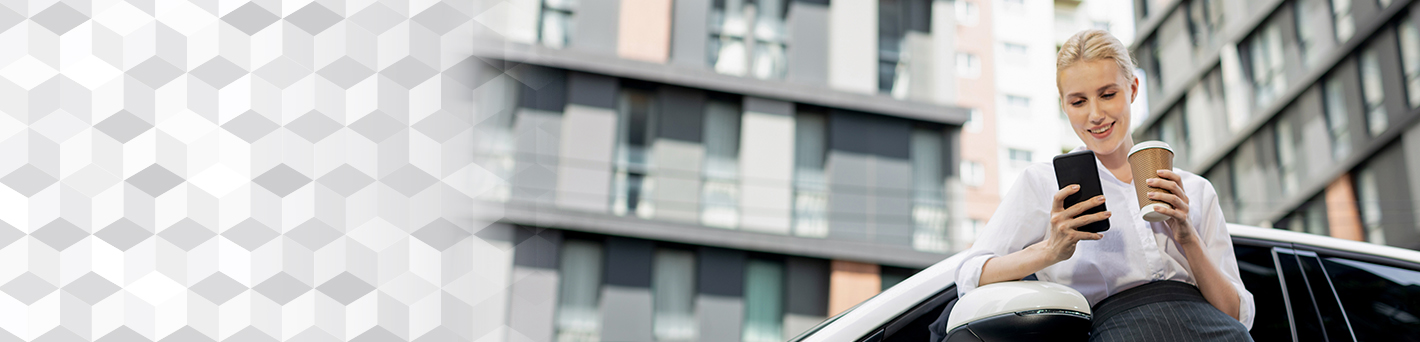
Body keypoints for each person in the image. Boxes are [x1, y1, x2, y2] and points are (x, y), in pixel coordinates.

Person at [942, 30, 1254, 341]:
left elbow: (1235, 315)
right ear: (1064, 107)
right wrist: (1050, 251)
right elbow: (972, 275)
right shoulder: (1043, 184)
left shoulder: (1194, 190)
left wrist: (1186, 235)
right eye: (1078, 102)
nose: (1095, 115)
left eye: (1107, 95)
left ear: (1132, 89)